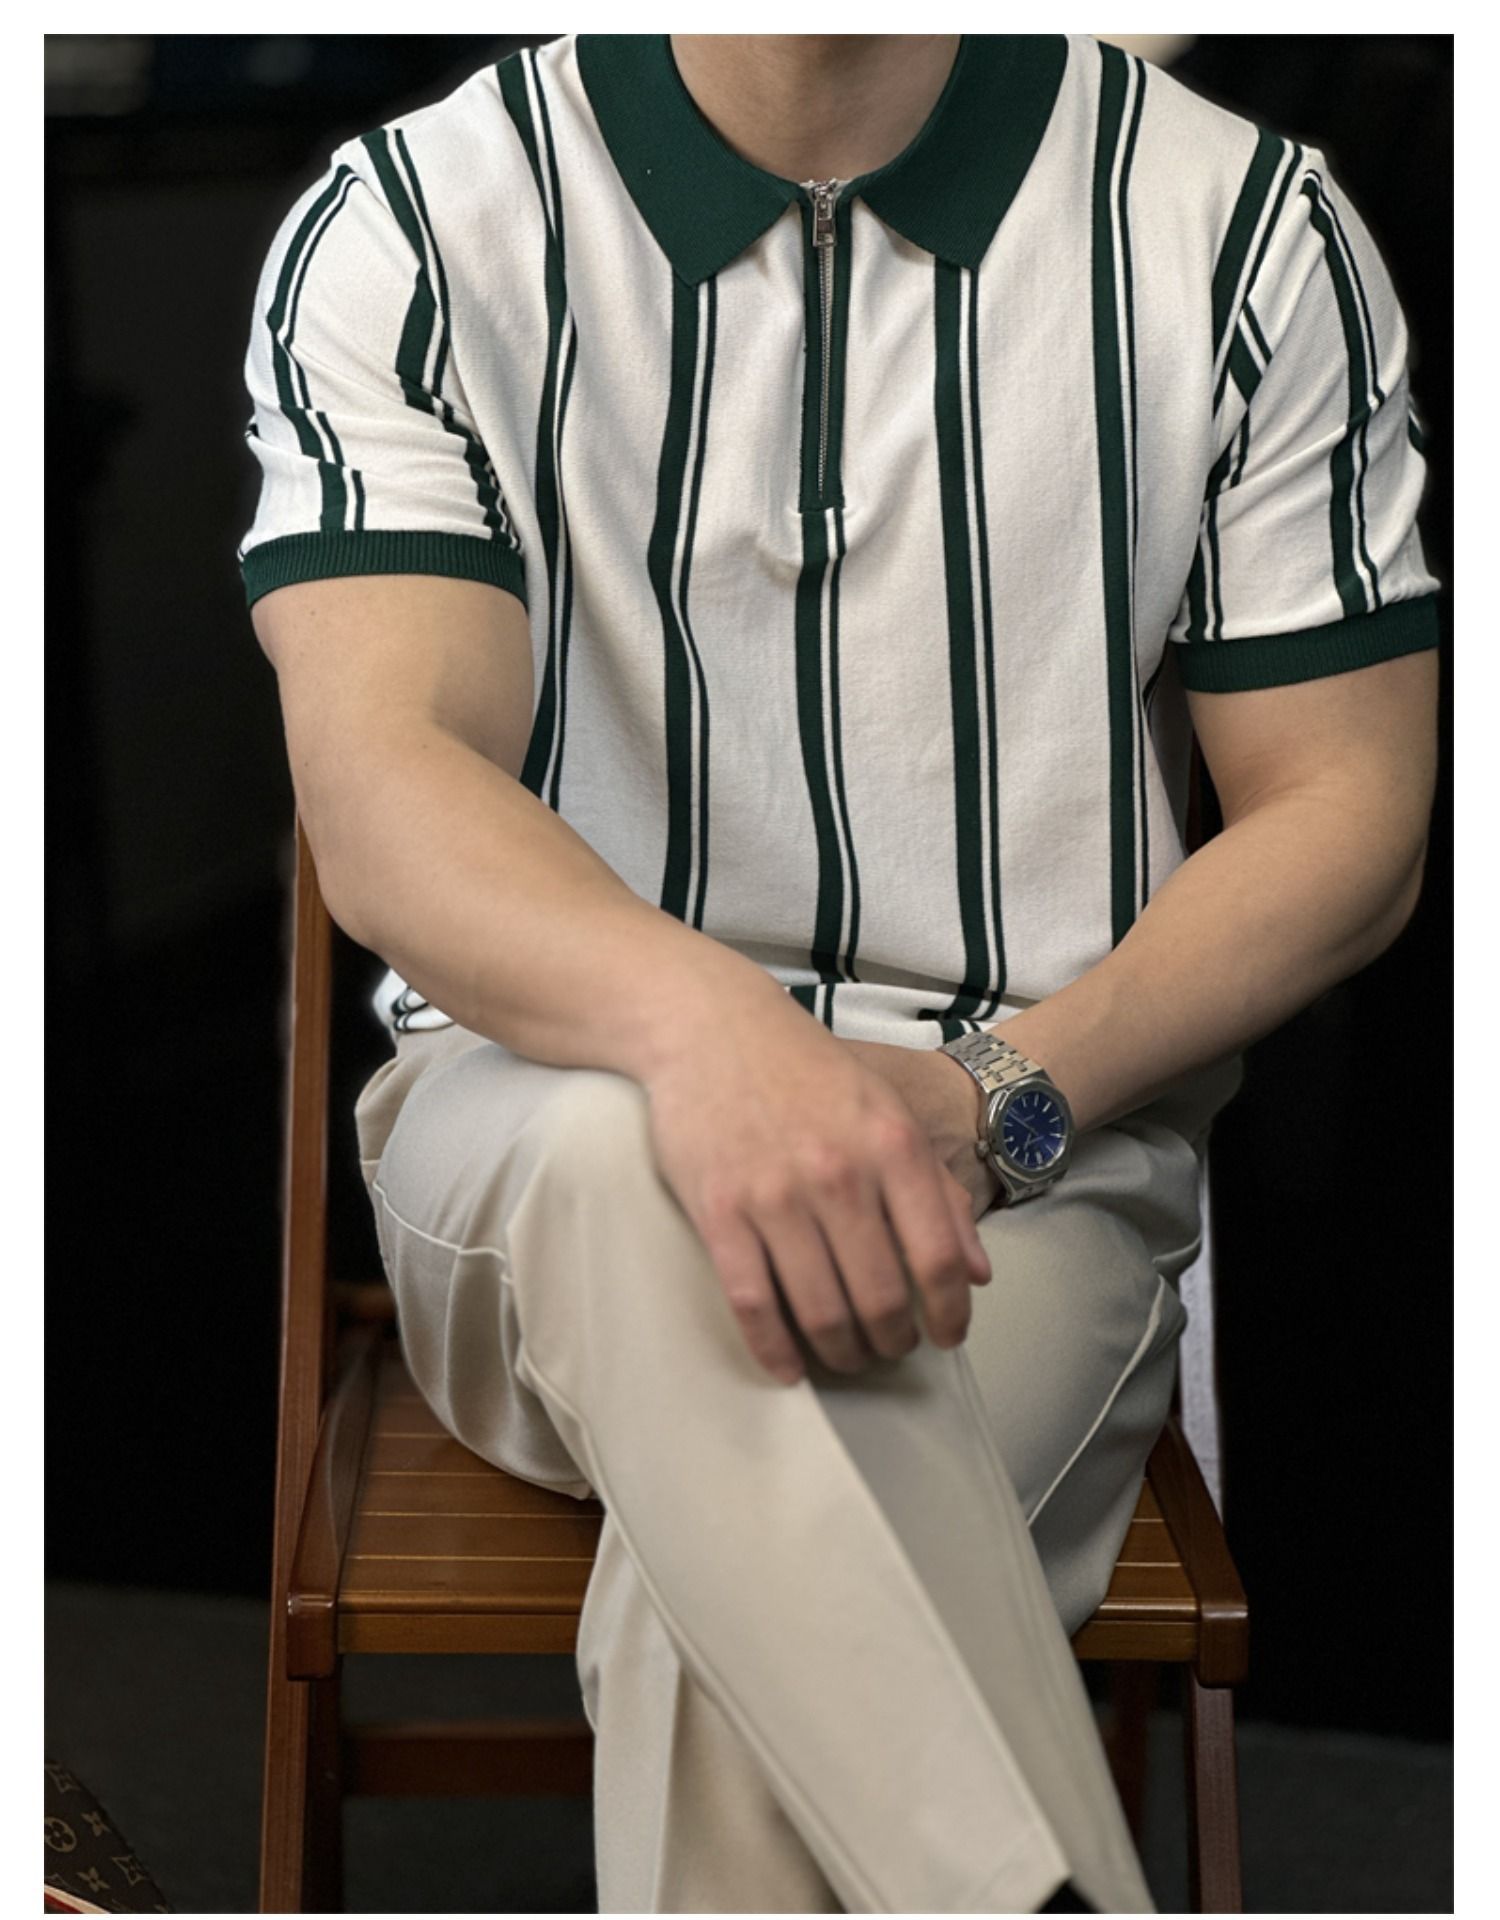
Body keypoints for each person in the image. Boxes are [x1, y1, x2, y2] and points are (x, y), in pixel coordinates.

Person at [237, 32, 1441, 1914]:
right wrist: (715, 1046)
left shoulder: (1245, 229)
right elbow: (387, 791)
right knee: (616, 1160)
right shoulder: (410, 221)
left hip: (1029, 1167)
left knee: (721, 1637)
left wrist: (988, 1097)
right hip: (534, 1131)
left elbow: (1350, 814)